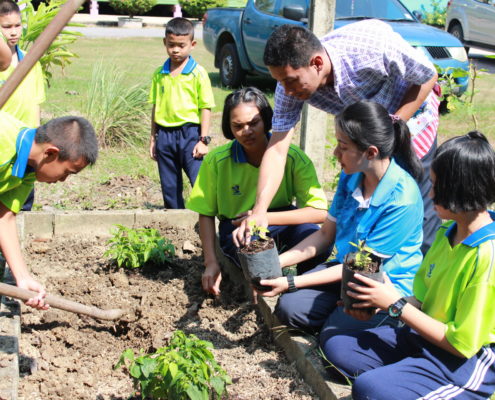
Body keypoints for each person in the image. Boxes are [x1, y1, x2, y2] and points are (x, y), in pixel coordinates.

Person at [234, 20, 441, 255]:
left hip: (408, 119)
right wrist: (260, 210)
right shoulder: (289, 86)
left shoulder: (371, 48)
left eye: (290, 80)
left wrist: (393, 126)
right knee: (363, 202)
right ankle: (366, 262)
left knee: (415, 203)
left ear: (317, 63)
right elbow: (277, 148)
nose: (286, 90)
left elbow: (427, 75)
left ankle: (419, 278)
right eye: (279, 81)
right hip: (362, 137)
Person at [323, 131, 495, 400]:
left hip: (466, 361)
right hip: (424, 337)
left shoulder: (487, 256)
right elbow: (423, 300)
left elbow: (462, 344)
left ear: (461, 189)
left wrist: (396, 305)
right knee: (337, 348)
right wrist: (379, 301)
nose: (430, 192)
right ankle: (411, 375)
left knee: (370, 389)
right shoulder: (448, 232)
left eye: (437, 186)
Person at [258, 101, 424, 336]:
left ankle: (376, 321)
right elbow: (325, 234)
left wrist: (291, 282)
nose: (336, 153)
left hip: (380, 284)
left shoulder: (402, 199)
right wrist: (277, 264)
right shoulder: (352, 177)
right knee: (289, 308)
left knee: (335, 334)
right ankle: (342, 319)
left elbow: (362, 265)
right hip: (345, 271)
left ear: (371, 152)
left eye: (343, 147)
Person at [186, 87, 328, 296]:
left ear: (267, 120)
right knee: (255, 255)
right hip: (237, 228)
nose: (247, 131)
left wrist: (263, 216)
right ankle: (267, 290)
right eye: (238, 126)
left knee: (316, 237)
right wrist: (210, 262)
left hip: (282, 218)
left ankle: (304, 289)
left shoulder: (293, 157)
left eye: (254, 123)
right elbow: (205, 212)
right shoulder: (217, 161)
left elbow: (319, 212)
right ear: (229, 127)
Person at [0, 112, 98, 309]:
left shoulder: (28, 166)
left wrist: (23, 277)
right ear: (51, 153)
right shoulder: (4, 145)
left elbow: (5, 216)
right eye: (67, 172)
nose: (63, 180)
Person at [149, 17, 215, 209]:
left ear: (192, 45)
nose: (176, 50)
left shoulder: (198, 73)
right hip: (165, 136)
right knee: (169, 184)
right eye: (171, 45)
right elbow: (155, 107)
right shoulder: (159, 74)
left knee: (199, 181)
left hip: (190, 135)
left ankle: (206, 217)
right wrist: (153, 138)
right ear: (165, 43)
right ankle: (175, 221)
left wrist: (203, 140)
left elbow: (206, 107)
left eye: (181, 45)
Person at [0, 0, 46, 211]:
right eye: (6, 27)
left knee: (21, 206)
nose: (13, 32)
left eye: (17, 25)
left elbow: (36, 103)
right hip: (4, 147)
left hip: (26, 146)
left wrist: (37, 137)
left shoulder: (31, 61)